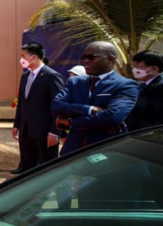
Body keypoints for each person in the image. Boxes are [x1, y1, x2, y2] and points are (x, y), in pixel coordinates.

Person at [52, 41, 139, 156]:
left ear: (111, 59)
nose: (86, 61)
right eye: (84, 57)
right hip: (72, 149)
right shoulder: (75, 82)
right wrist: (91, 109)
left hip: (105, 150)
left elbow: (113, 117)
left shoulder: (126, 85)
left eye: (91, 57)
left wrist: (71, 123)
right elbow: (56, 106)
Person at [11, 42, 64, 173]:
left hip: (44, 131)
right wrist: (17, 124)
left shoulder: (51, 76)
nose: (21, 59)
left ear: (33, 57)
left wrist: (54, 131)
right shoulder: (25, 77)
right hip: (26, 129)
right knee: (28, 165)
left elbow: (58, 105)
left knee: (46, 167)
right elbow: (22, 103)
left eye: (23, 56)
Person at [126, 50, 163, 130]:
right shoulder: (142, 85)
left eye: (138, 67)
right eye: (134, 66)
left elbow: (153, 116)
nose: (134, 70)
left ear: (154, 69)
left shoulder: (160, 87)